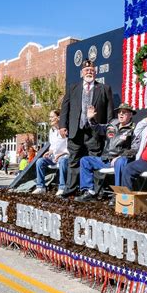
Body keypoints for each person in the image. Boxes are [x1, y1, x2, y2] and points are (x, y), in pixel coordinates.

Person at [59, 59, 114, 196]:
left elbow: (109, 111)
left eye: (91, 70)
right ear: (82, 73)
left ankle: (94, 191)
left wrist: (109, 127)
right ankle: (70, 189)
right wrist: (62, 126)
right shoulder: (73, 88)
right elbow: (65, 108)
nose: (89, 72)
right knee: (73, 160)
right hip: (75, 130)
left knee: (94, 160)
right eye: (86, 70)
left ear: (95, 72)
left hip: (94, 131)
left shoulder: (104, 88)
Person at [74, 103, 137, 204]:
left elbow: (135, 149)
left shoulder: (134, 129)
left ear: (130, 115)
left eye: (124, 113)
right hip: (106, 159)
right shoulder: (112, 125)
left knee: (120, 162)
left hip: (122, 160)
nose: (121, 114)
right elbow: (98, 128)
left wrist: (120, 156)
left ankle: (118, 195)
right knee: (85, 160)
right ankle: (89, 192)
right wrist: (91, 119)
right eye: (119, 112)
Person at [33, 110, 69, 195]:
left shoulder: (65, 130)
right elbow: (53, 146)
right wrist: (49, 152)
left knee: (62, 160)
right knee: (40, 161)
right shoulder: (51, 131)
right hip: (54, 157)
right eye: (49, 117)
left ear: (59, 117)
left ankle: (62, 187)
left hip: (64, 157)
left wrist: (61, 154)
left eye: (52, 117)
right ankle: (41, 187)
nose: (50, 119)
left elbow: (70, 147)